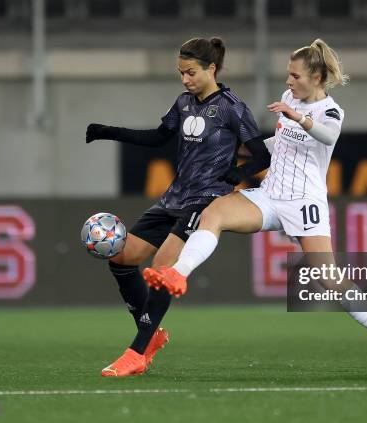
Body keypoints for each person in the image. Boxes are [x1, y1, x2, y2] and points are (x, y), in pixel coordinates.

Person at [144, 39, 367, 375]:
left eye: (295, 76)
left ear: (316, 77)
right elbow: (279, 141)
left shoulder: (330, 112)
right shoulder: (288, 100)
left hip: (304, 203)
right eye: (288, 75)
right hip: (271, 195)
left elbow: (326, 137)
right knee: (215, 213)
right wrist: (237, 149)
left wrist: (298, 117)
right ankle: (178, 275)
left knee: (329, 278)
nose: (288, 82)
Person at [85, 37, 270, 377]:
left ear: (211, 69)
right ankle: (151, 333)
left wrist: (237, 175)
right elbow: (159, 137)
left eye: (191, 72)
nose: (185, 80)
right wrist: (108, 131)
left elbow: (261, 155)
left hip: (204, 202)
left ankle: (137, 352)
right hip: (173, 198)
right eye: (181, 73)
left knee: (162, 267)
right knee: (122, 259)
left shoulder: (232, 106)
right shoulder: (184, 102)